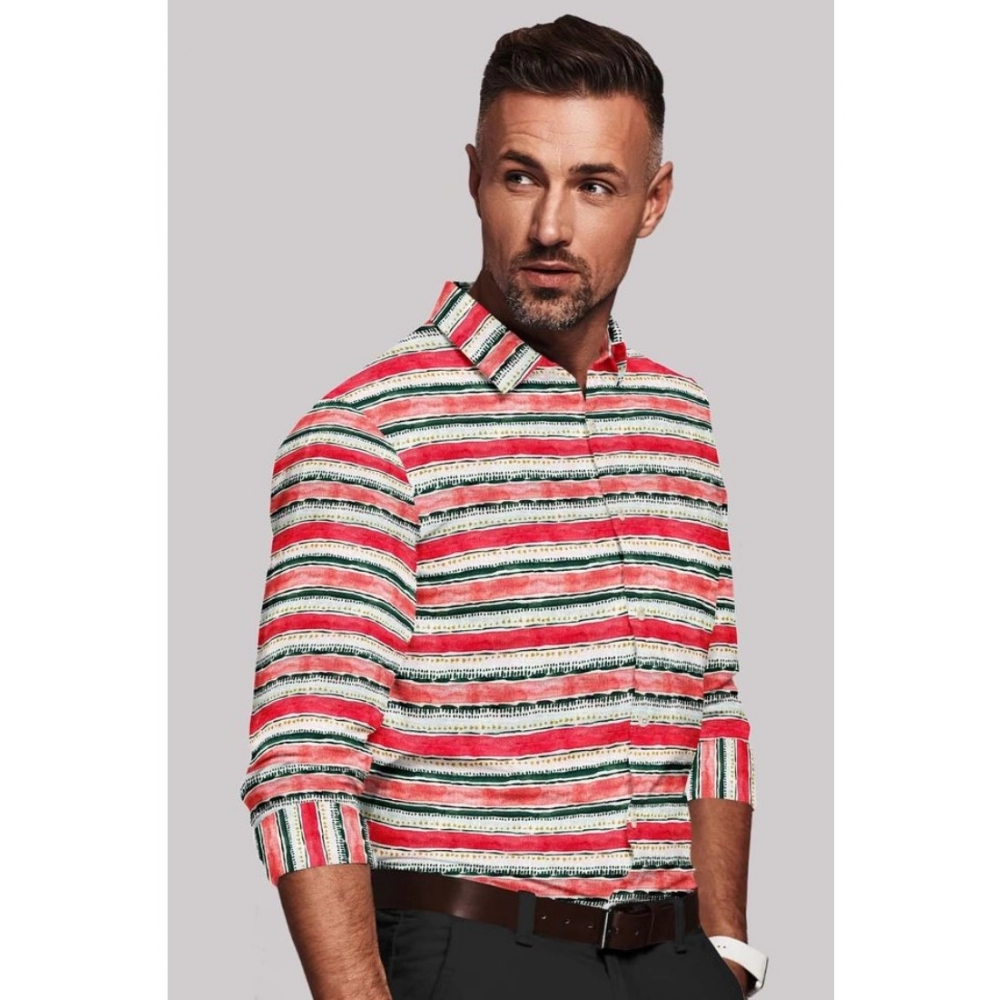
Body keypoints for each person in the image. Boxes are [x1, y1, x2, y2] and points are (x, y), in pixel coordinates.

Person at [241, 14, 768, 1000]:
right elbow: (304, 773)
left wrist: (727, 949)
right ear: (476, 177)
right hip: (475, 954)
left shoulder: (678, 419)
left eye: (595, 185)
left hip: (674, 961)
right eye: (523, 177)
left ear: (653, 201)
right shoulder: (370, 433)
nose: (552, 226)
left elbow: (712, 706)